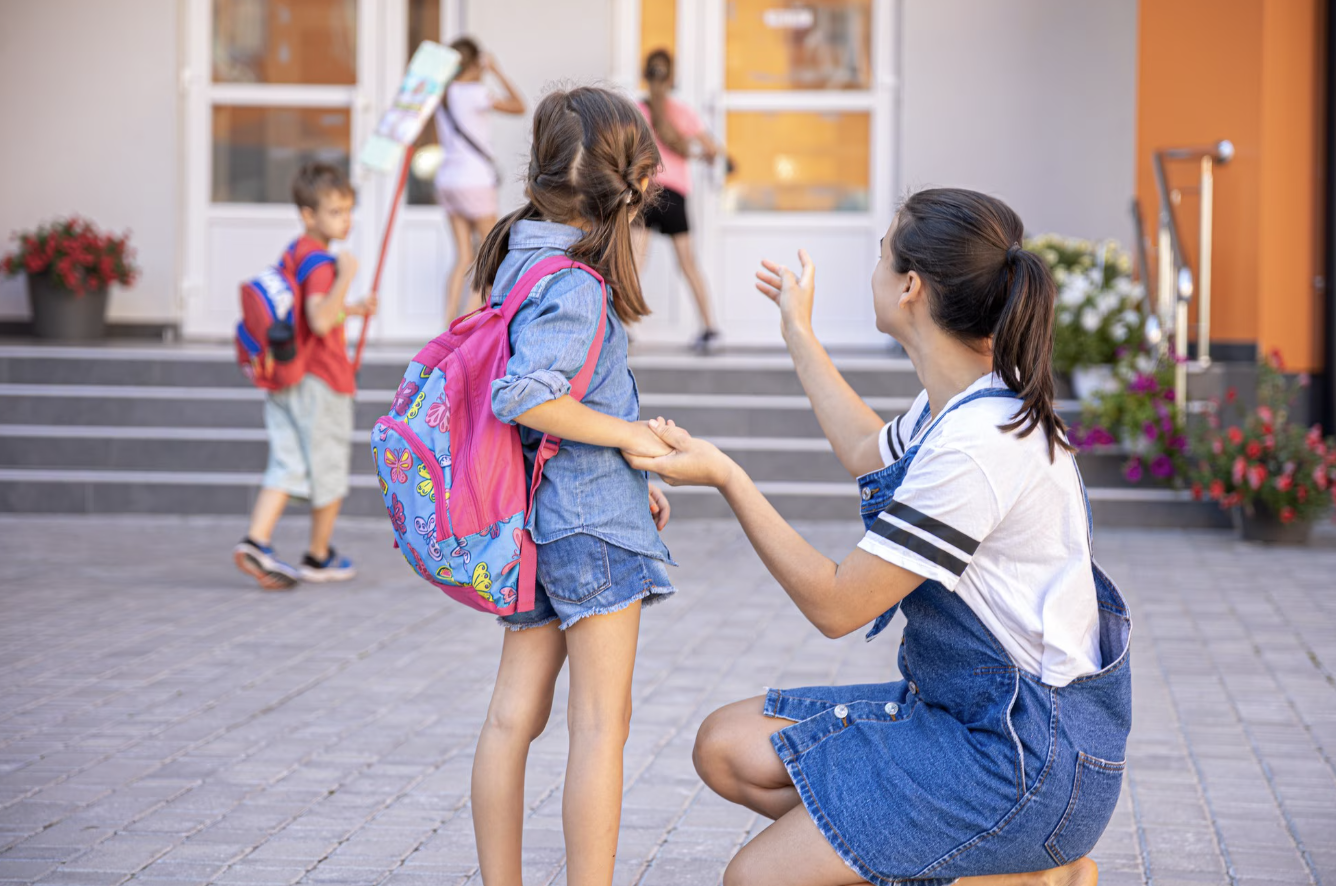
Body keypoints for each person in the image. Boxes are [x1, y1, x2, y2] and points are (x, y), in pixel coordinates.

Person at [625, 189, 1132, 886]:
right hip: (969, 719)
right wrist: (799, 334)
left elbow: (838, 606)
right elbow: (867, 447)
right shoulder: (962, 401)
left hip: (1023, 760)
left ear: (911, 287)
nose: (873, 270)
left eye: (880, 252)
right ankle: (1014, 876)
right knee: (727, 748)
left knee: (756, 879)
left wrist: (728, 477)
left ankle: (1023, 867)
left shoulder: (979, 445)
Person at [468, 86, 678, 886]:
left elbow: (563, 396)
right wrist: (631, 439)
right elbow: (526, 394)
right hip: (588, 526)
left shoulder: (515, 249)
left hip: (533, 517)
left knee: (510, 717)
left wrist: (626, 469)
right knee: (600, 725)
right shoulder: (578, 281)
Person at [233, 163, 378, 590]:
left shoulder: (296, 250)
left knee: (287, 461)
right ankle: (319, 554)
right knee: (329, 467)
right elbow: (317, 319)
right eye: (334, 212)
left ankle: (256, 540)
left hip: (287, 374)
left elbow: (307, 311)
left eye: (348, 210)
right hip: (322, 381)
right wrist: (346, 277)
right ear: (308, 215)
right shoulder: (323, 262)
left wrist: (351, 309)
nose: (345, 220)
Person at [635, 48, 723, 352]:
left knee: (632, 266)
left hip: (644, 193)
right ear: (672, 77)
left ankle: (617, 330)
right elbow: (712, 149)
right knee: (688, 264)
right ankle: (710, 328)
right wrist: (699, 154)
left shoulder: (637, 111)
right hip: (674, 194)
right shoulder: (683, 112)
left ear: (645, 75)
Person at [433, 37, 525, 322]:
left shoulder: (442, 94)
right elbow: (519, 105)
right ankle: (464, 320)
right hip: (474, 181)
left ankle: (448, 320)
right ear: (475, 63)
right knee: (489, 253)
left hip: (447, 180)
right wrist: (496, 71)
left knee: (462, 255)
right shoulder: (475, 92)